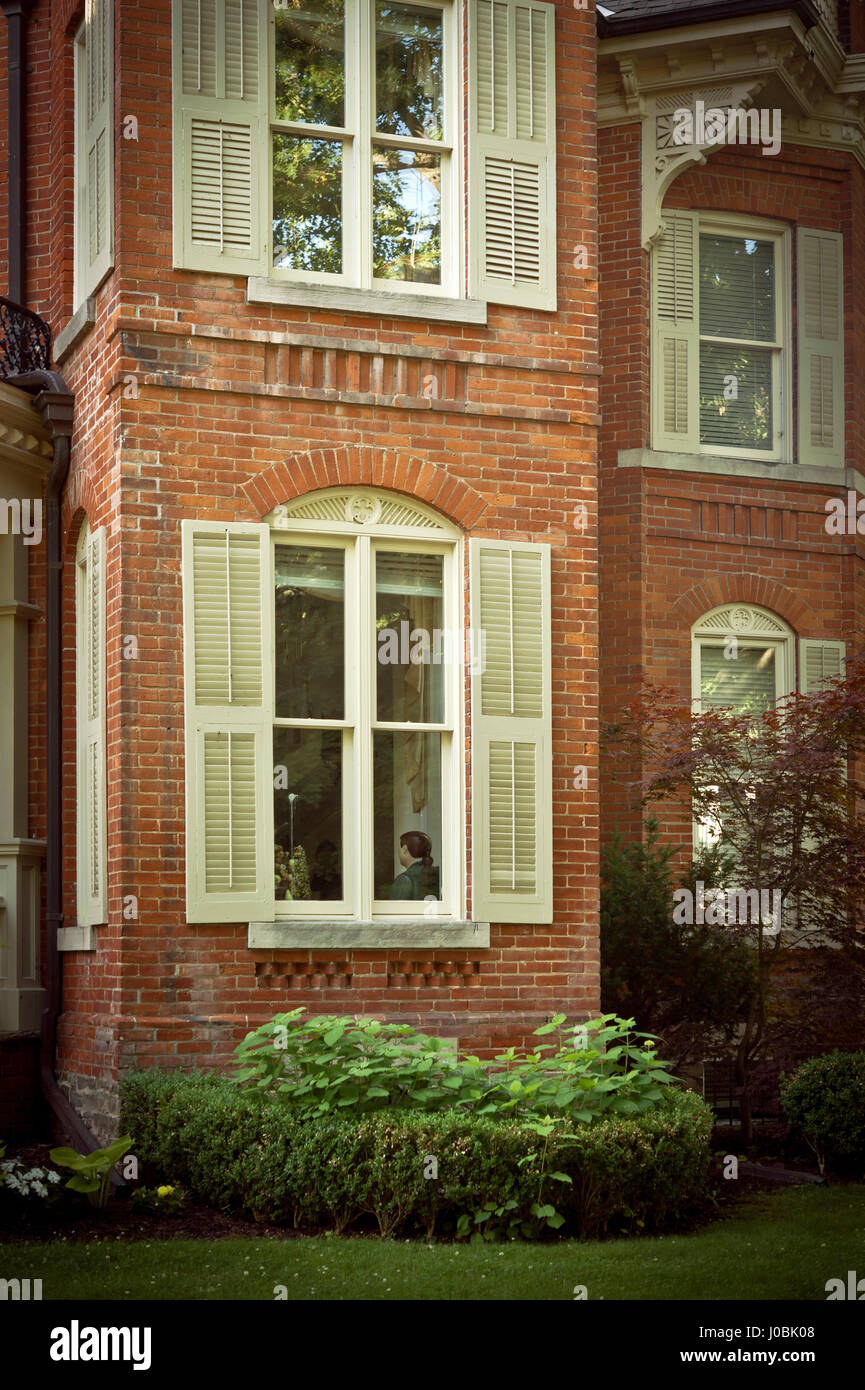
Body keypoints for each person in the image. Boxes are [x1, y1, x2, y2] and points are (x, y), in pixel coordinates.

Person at [389, 830, 440, 901]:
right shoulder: (439, 876)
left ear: (404, 849)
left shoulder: (404, 880)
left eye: (399, 849)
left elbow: (396, 910)